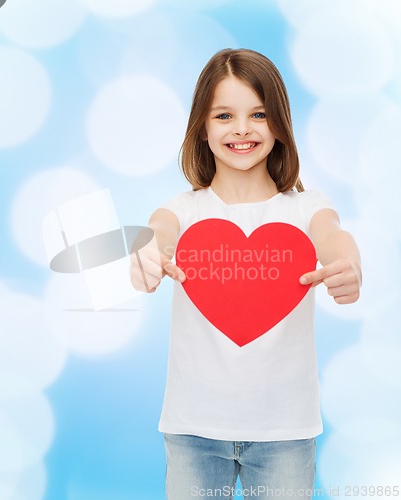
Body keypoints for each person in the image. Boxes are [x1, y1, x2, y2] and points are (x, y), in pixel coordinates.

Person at [130, 48, 361, 500]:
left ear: (279, 122)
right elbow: (157, 232)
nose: (241, 129)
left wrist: (347, 264)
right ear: (202, 126)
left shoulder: (305, 208)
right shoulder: (185, 209)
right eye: (223, 115)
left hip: (285, 432)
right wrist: (147, 254)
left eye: (258, 113)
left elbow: (334, 236)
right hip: (193, 428)